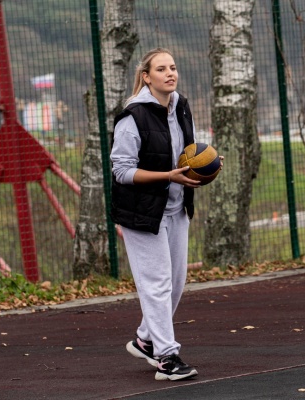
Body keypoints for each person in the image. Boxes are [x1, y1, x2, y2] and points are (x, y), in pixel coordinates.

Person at [111, 48, 211, 381]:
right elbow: (122, 171)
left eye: (173, 67)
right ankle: (166, 357)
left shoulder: (181, 107)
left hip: (177, 207)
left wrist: (207, 166)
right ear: (146, 77)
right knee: (157, 285)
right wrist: (168, 176)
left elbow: (187, 155)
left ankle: (145, 339)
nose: (170, 73)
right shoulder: (132, 118)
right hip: (141, 213)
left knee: (176, 284)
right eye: (161, 69)